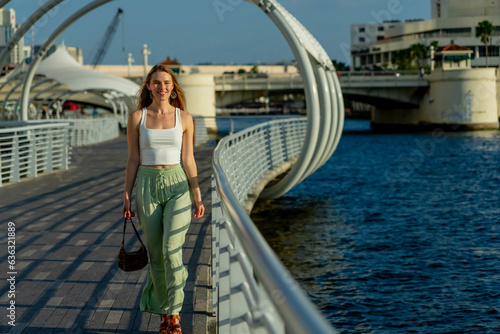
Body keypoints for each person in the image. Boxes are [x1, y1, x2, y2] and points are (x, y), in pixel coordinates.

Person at [122, 64, 204, 334]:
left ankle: (175, 312)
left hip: (178, 184)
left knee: (172, 250)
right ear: (148, 86)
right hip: (147, 185)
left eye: (166, 83)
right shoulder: (137, 118)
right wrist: (126, 196)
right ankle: (164, 313)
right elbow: (133, 160)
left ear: (173, 86)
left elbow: (188, 159)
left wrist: (197, 194)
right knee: (157, 256)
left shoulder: (185, 118)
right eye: (156, 82)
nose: (162, 87)